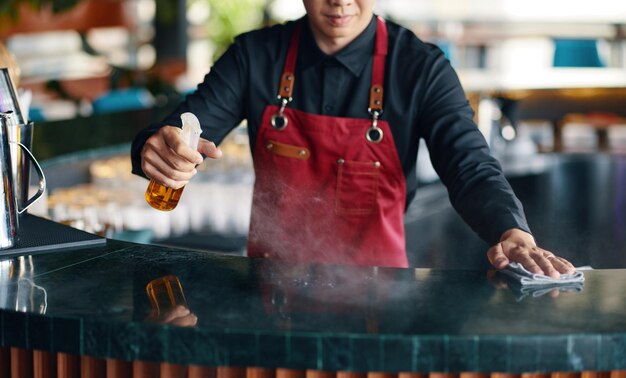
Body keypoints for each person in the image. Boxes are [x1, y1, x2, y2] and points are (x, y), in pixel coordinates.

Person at [132, 0, 575, 277]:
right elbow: (187, 125)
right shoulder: (255, 57)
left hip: (379, 297)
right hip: (270, 293)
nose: (340, 1)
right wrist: (156, 146)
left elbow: (468, 164)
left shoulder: (420, 68)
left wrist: (511, 229)